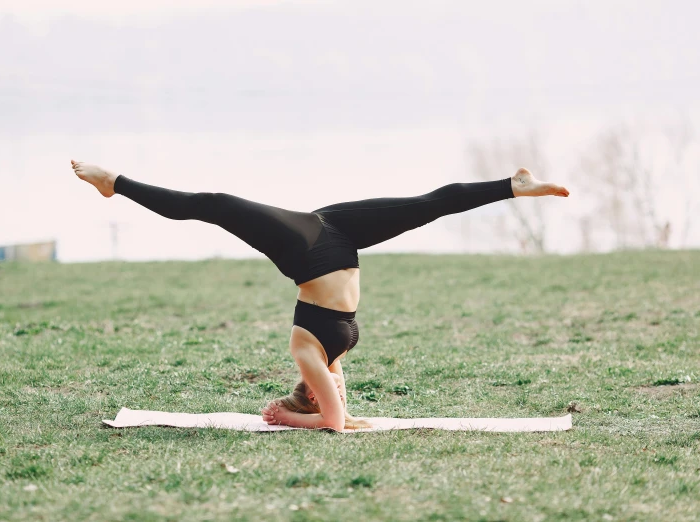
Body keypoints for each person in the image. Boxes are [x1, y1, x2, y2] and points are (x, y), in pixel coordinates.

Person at [71, 159, 569, 431]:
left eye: (315, 393)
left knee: (216, 205)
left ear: (308, 390)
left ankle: (513, 185)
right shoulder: (321, 360)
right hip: (328, 239)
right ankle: (511, 186)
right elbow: (337, 421)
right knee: (427, 205)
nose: (330, 389)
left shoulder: (313, 354)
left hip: (317, 240)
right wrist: (292, 416)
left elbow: (336, 416)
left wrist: (291, 416)